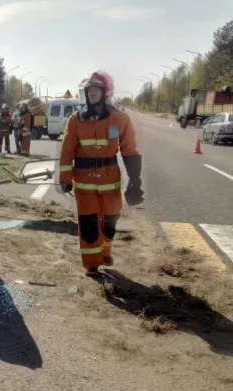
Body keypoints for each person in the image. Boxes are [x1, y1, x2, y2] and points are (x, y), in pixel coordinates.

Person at [58, 70, 143, 277]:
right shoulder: (75, 120)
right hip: (84, 183)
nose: (92, 93)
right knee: (88, 224)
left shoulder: (120, 119)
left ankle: (105, 252)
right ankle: (91, 264)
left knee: (109, 223)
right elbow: (67, 151)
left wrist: (135, 179)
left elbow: (130, 150)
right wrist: (65, 178)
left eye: (96, 89)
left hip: (110, 182)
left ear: (105, 92)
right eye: (89, 90)